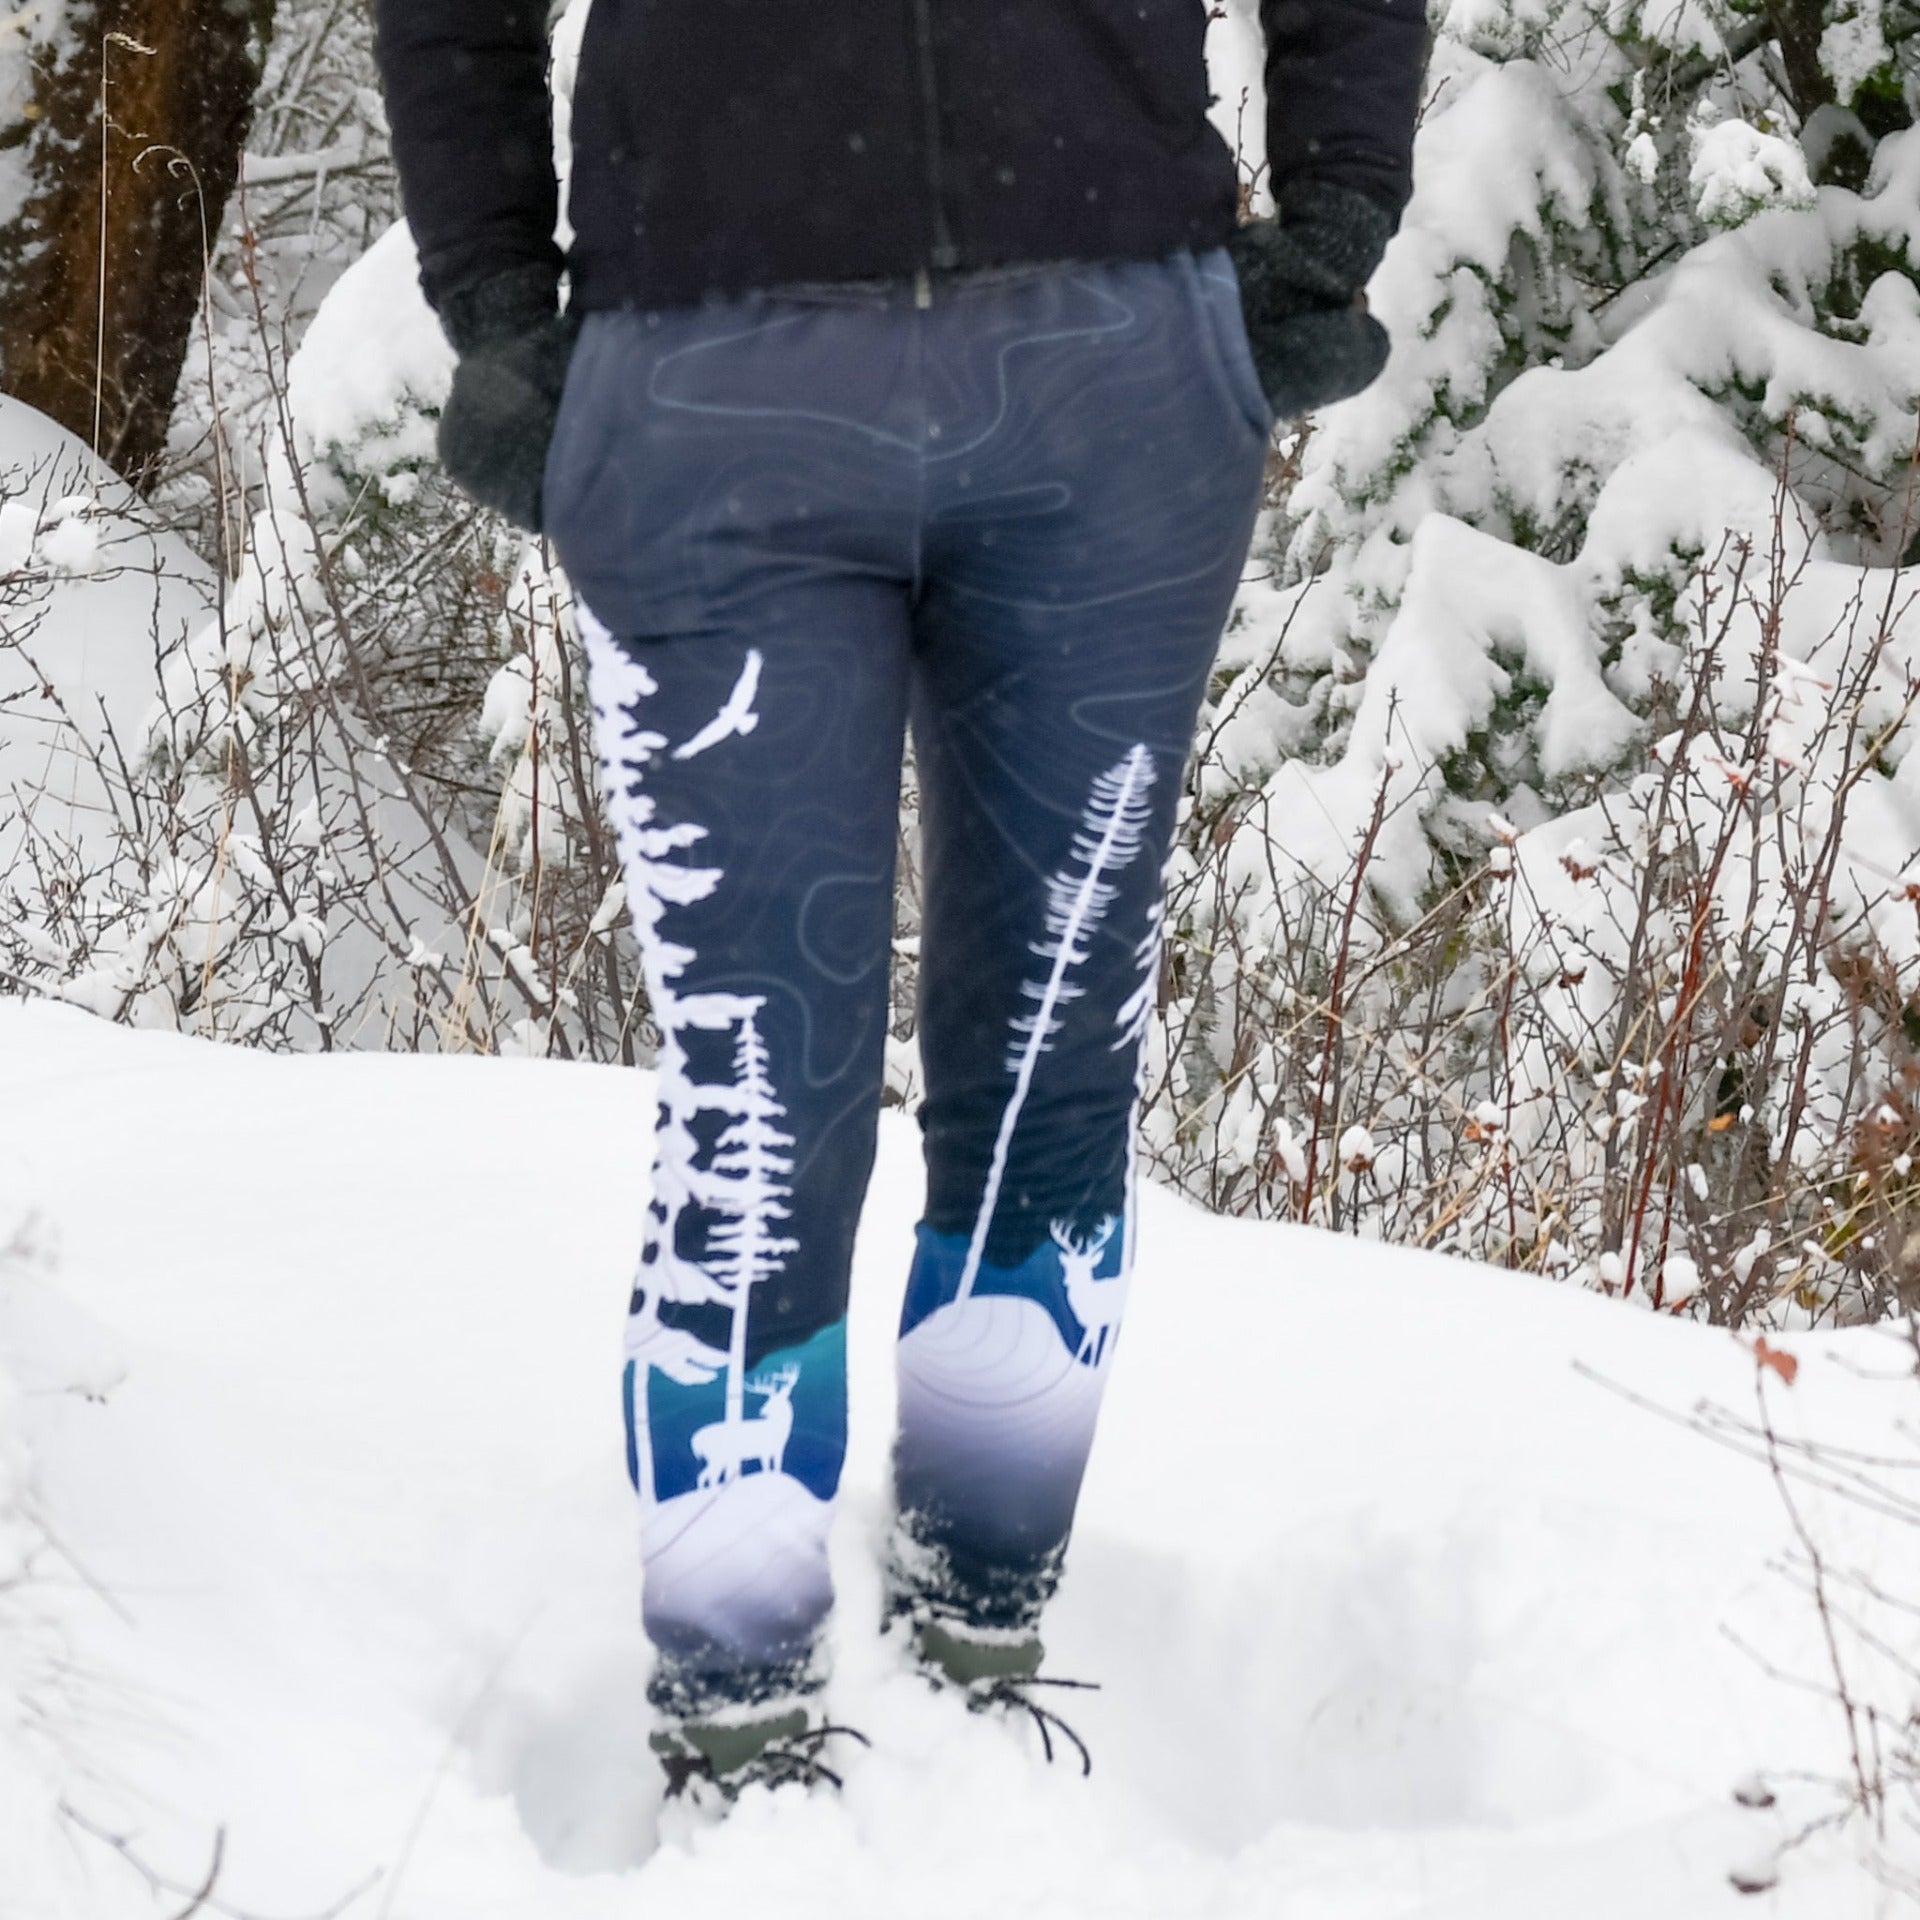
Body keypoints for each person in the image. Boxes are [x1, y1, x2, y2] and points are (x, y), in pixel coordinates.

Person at [375, 0, 1426, 1796]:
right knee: (766, 1098)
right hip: (711, 401)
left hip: (1110, 385)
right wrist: (495, 305)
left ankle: (982, 1643)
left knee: (1050, 1056)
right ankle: (740, 1708)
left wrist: (1331, 219)